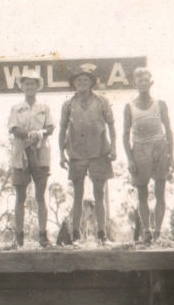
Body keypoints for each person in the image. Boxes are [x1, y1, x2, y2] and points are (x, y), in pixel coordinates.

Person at [59, 65, 116, 246]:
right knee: (77, 194)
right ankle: (76, 235)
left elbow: (111, 125)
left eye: (85, 80)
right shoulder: (68, 104)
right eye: (78, 80)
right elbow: (62, 129)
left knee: (99, 193)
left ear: (91, 82)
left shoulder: (101, 101)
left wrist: (114, 147)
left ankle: (102, 235)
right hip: (76, 154)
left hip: (99, 152)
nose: (82, 83)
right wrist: (61, 153)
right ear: (74, 84)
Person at [123, 67, 174, 246]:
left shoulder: (160, 104)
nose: (143, 84)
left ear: (150, 83)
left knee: (160, 192)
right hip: (139, 150)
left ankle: (158, 232)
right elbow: (124, 135)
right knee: (142, 193)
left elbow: (168, 130)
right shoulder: (129, 106)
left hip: (159, 148)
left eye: (146, 80)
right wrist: (130, 159)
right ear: (135, 84)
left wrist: (172, 156)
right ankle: (146, 231)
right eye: (139, 81)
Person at [7, 69, 55, 248]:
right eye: (26, 83)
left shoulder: (44, 107)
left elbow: (50, 128)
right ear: (22, 86)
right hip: (22, 153)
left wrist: (40, 133)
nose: (30, 86)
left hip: (41, 152)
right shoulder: (16, 108)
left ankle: (43, 235)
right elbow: (13, 129)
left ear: (38, 86)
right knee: (20, 196)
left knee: (40, 195)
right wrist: (29, 134)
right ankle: (18, 236)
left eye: (33, 83)